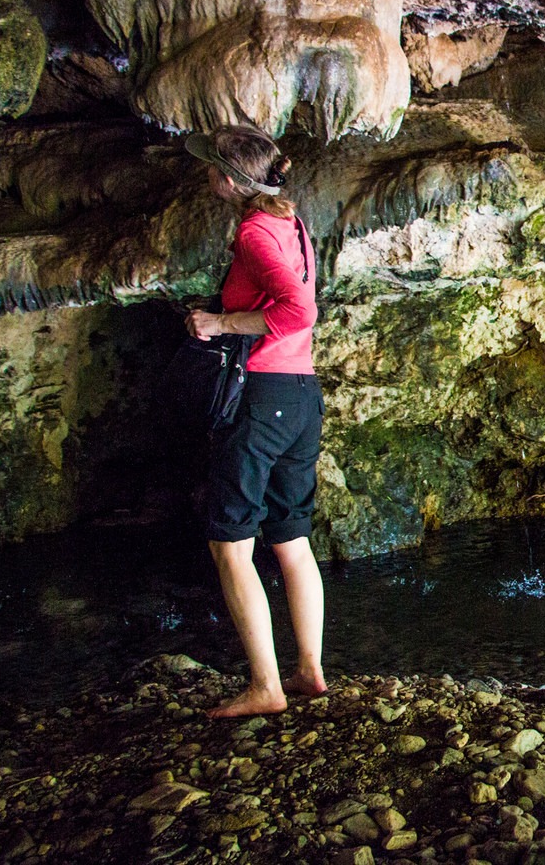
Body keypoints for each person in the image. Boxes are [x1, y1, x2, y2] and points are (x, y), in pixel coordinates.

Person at [184, 126, 327, 717]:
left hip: (263, 392)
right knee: (291, 536)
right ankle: (310, 671)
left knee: (231, 544)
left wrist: (219, 324)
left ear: (229, 180)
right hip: (302, 394)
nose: (205, 176)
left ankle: (266, 687)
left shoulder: (253, 231)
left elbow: (299, 309)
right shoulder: (291, 223)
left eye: (210, 168)